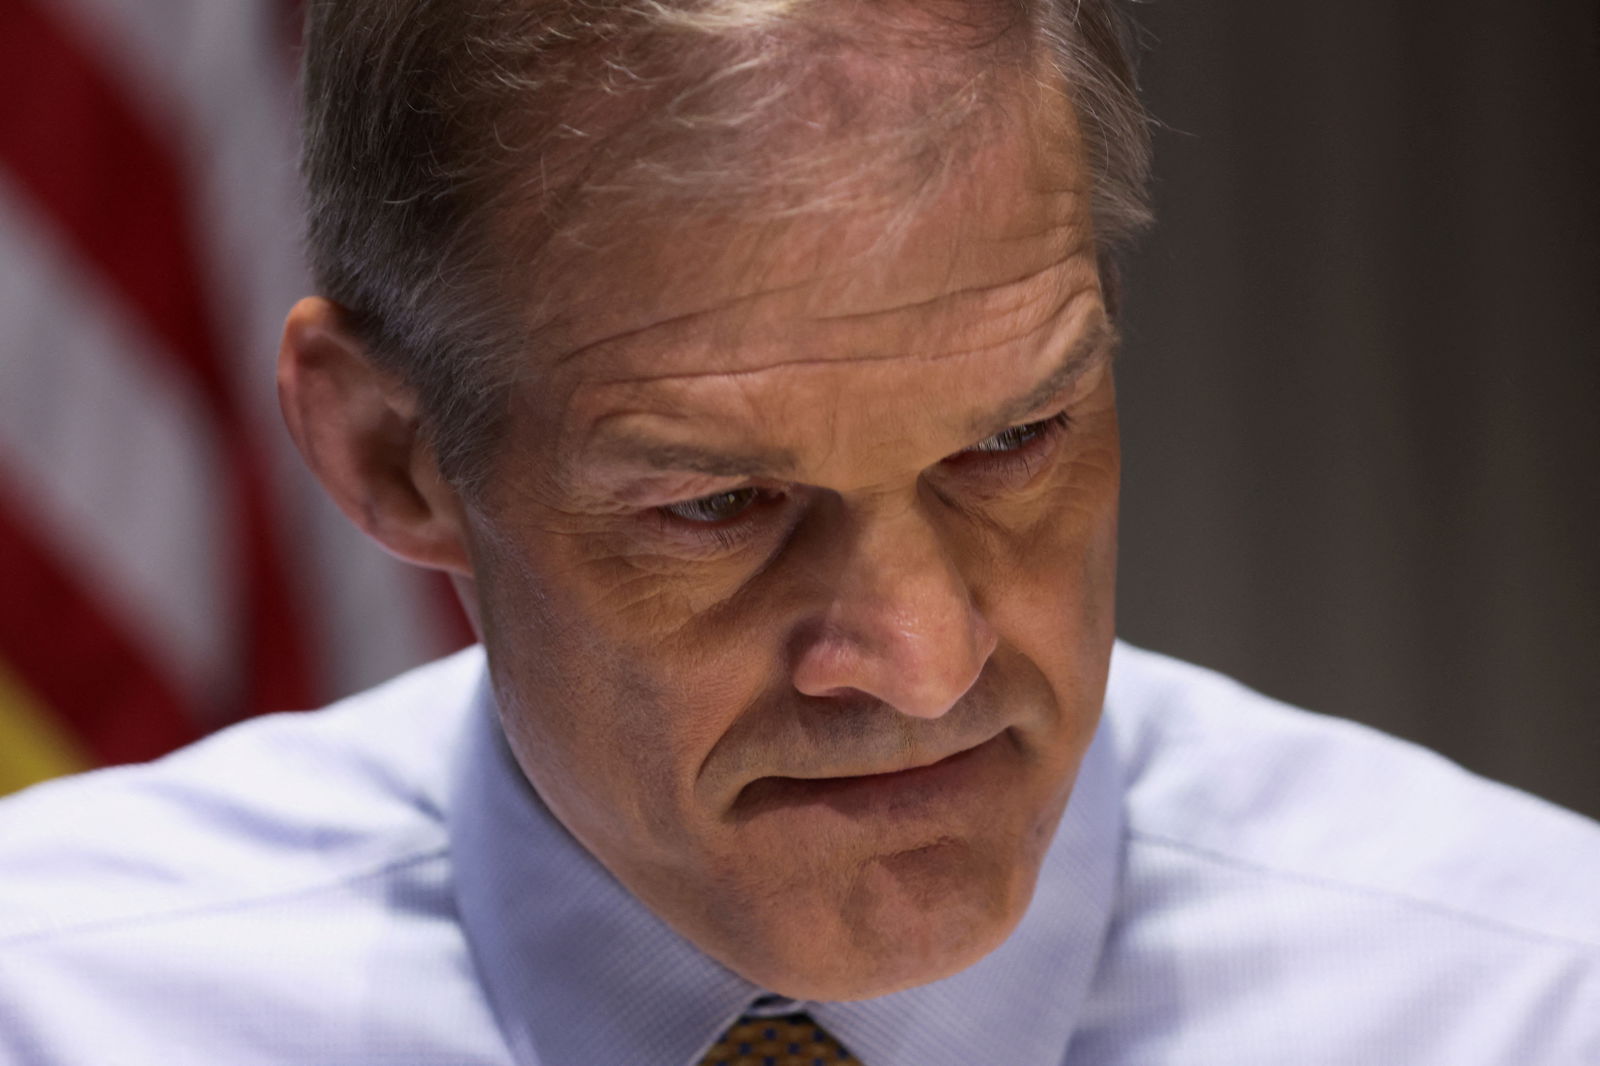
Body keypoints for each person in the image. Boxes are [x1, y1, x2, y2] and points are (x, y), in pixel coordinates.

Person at [1, 1, 1596, 1062]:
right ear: (388, 455)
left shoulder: (1533, 996)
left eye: (1012, 440)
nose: (923, 660)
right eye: (717, 504)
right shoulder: (54, 998)